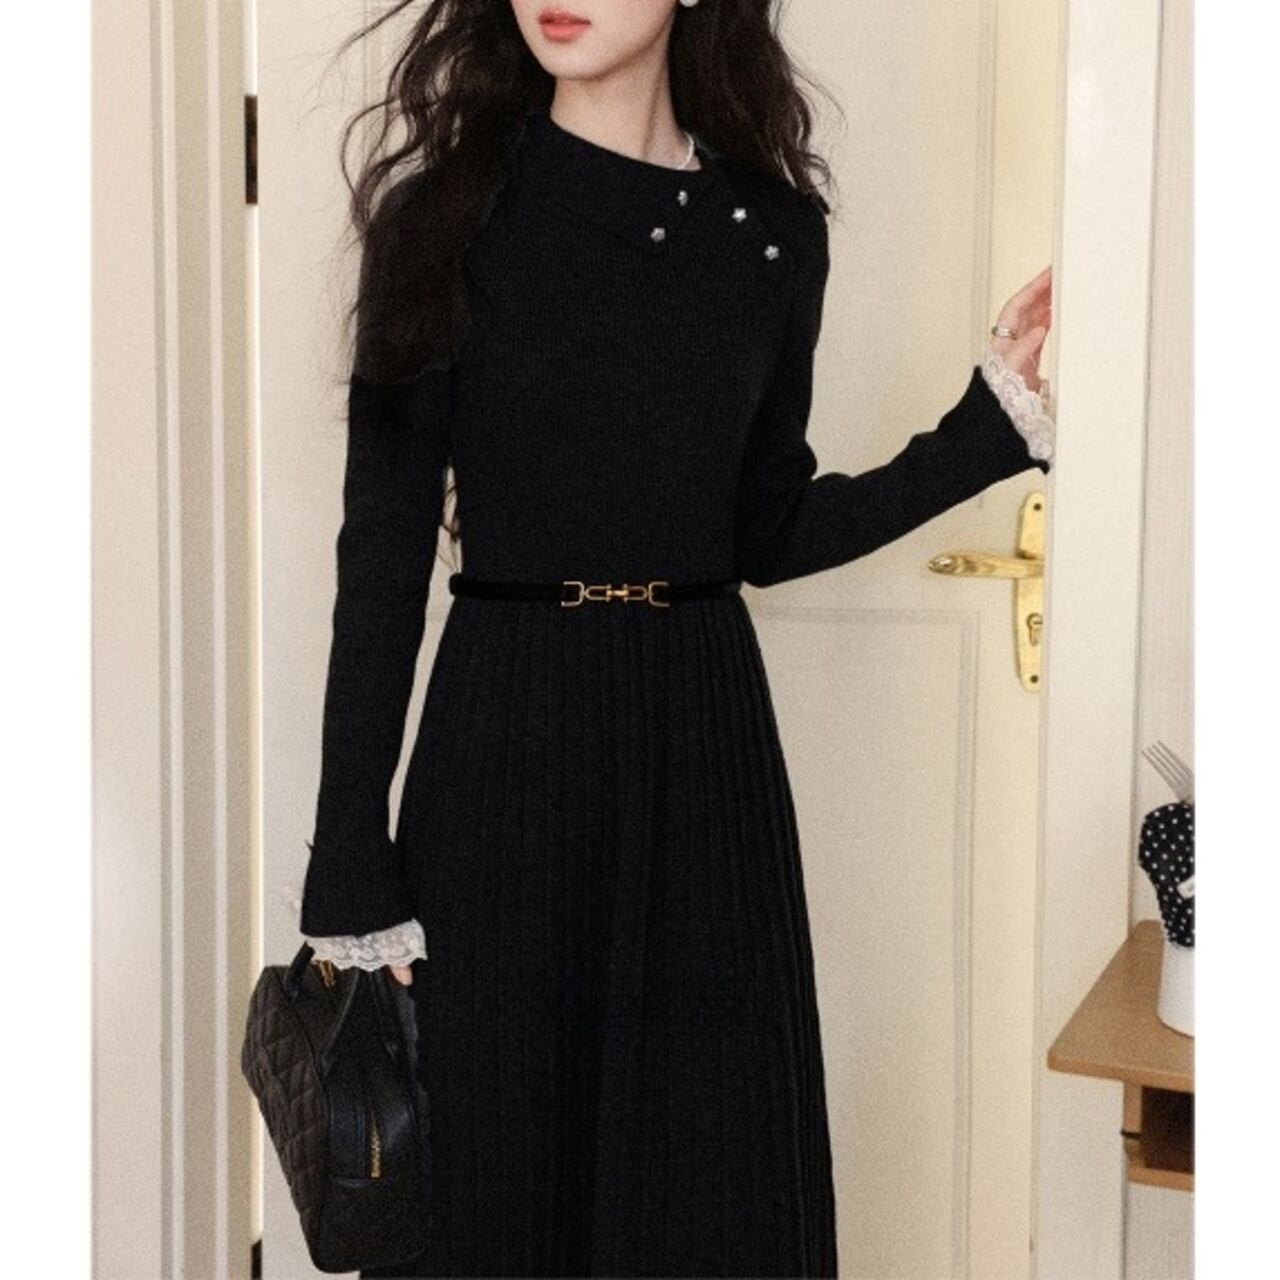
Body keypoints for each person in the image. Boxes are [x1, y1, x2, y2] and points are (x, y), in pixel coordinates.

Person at [292, 2, 1056, 1275]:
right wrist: (349, 861)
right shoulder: (442, 221)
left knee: (703, 1182)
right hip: (502, 744)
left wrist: (983, 431)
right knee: (496, 1183)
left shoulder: (771, 236)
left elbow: (764, 528)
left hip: (702, 749)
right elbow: (378, 561)